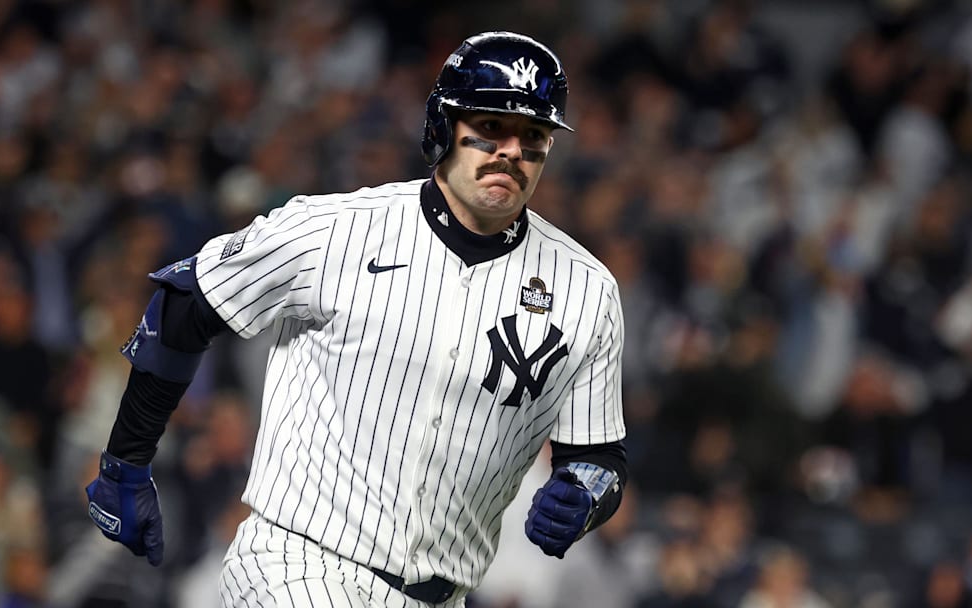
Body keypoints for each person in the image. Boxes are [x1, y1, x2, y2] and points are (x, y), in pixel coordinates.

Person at [84, 31, 629, 607]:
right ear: (442, 127)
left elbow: (598, 455)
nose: (512, 150)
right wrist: (126, 459)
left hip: (445, 594)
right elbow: (186, 301)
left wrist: (584, 495)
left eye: (533, 135)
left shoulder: (586, 289)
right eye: (492, 126)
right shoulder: (337, 229)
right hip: (296, 564)